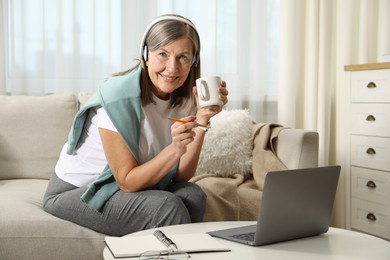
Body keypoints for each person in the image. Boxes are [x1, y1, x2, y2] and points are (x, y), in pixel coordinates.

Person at [43, 14, 229, 236]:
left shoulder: (185, 99)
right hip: (76, 191)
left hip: (119, 187)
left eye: (183, 57)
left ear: (193, 62)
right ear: (145, 56)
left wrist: (201, 120)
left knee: (193, 196)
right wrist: (175, 149)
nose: (172, 68)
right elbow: (127, 181)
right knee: (166, 207)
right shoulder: (117, 97)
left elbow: (181, 176)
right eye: (162, 54)